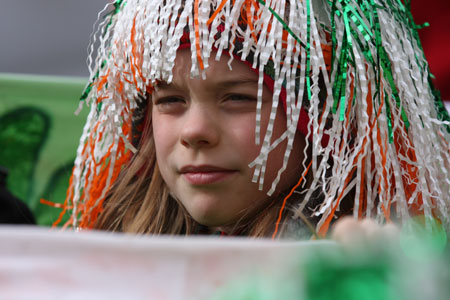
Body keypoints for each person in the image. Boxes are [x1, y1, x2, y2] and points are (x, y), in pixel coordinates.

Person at [57, 0, 450, 239]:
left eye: (238, 98)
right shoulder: (112, 249)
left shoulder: (387, 263)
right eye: (171, 100)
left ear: (325, 126)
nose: (195, 132)